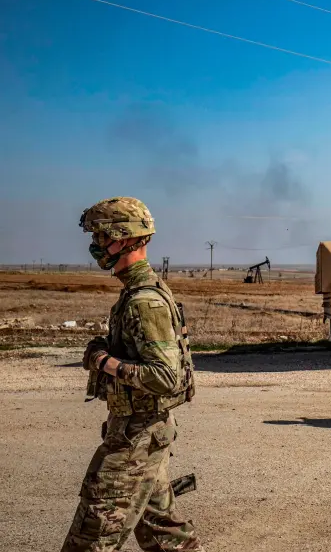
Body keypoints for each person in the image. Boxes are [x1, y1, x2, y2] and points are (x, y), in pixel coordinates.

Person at [61, 197, 202, 552]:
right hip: (142, 431)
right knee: (164, 533)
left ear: (123, 239)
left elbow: (165, 377)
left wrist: (101, 360)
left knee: (92, 536)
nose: (95, 245)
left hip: (136, 439)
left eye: (100, 236)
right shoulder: (138, 292)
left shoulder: (144, 300)